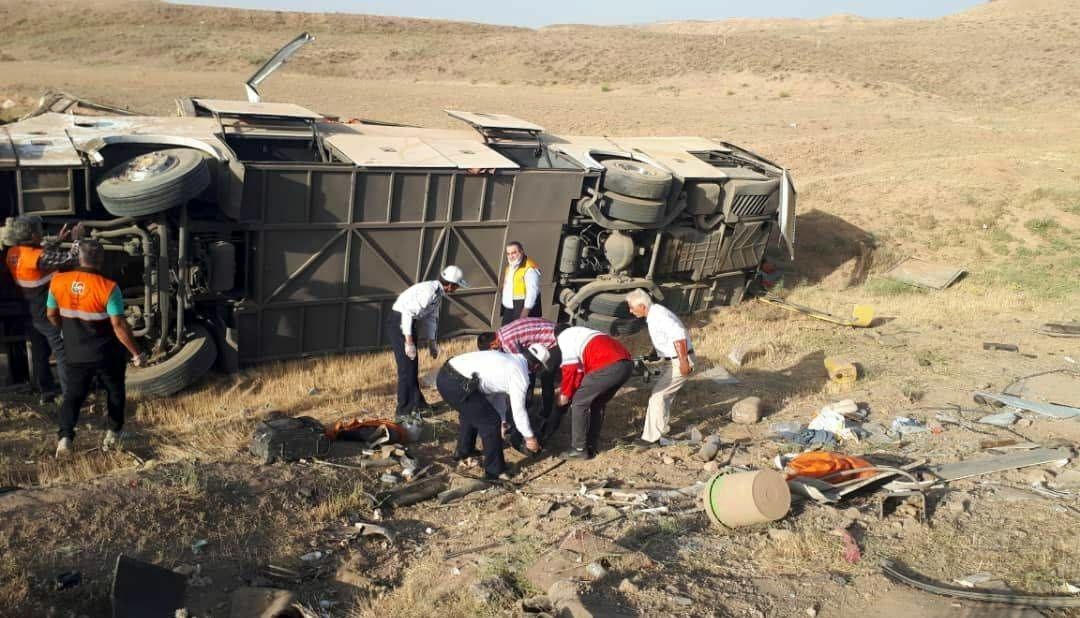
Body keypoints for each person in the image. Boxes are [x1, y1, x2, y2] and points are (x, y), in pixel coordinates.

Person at [47, 239, 145, 457]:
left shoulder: (58, 281)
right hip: (106, 354)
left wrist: (66, 330)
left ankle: (65, 439)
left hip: (75, 353)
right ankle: (113, 434)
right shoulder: (109, 287)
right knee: (115, 391)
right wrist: (137, 352)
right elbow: (118, 325)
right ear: (101, 260)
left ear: (78, 257)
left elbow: (51, 314)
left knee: (73, 395)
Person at [436, 344, 550, 480]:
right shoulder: (520, 375)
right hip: (456, 384)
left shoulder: (510, 360)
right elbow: (519, 412)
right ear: (536, 366)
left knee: (473, 411)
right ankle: (494, 471)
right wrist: (530, 438)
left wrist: (503, 420)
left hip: (445, 375)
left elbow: (496, 393)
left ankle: (464, 452)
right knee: (490, 423)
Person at [2, 216, 82, 403]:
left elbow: (42, 251)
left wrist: (57, 240)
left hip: (29, 311)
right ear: (32, 235)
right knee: (62, 352)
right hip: (46, 311)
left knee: (40, 353)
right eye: (39, 230)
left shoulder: (13, 253)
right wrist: (77, 239)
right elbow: (72, 257)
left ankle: (46, 393)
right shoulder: (39, 257)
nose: (41, 233)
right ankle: (70, 396)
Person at [387, 265, 469, 416]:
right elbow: (407, 313)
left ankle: (418, 403)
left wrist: (432, 342)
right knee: (406, 369)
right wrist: (409, 342)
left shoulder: (437, 293)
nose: (457, 289)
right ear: (450, 285)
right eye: (457, 286)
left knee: (412, 367)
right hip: (400, 323)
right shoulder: (429, 292)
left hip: (409, 324)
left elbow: (431, 317)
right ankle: (403, 411)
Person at [625, 289, 694, 447]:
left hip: (679, 361)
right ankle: (657, 432)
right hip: (672, 360)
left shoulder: (658, 315)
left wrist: (683, 362)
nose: (630, 311)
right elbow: (665, 337)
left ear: (642, 306)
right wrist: (654, 353)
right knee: (663, 397)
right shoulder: (654, 314)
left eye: (631, 307)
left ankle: (652, 438)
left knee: (658, 397)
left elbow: (678, 335)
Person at [554, 324, 633, 460]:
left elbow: (570, 368)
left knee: (579, 404)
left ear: (556, 337)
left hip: (607, 365)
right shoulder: (586, 333)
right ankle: (591, 445)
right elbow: (579, 373)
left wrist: (565, 394)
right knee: (597, 403)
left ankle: (579, 449)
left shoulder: (564, 336)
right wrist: (570, 389)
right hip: (626, 365)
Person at [476, 317, 560, 419]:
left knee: (546, 377)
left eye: (491, 351)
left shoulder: (507, 343)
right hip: (552, 329)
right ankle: (529, 403)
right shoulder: (501, 332)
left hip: (554, 340)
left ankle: (546, 413)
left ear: (493, 343)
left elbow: (521, 367)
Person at [500, 241, 542, 326]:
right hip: (510, 307)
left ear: (521, 252)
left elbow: (532, 291)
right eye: (508, 254)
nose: (511, 256)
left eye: (514, 253)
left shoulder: (529, 268)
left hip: (522, 307)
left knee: (519, 332)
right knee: (506, 330)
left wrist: (526, 310)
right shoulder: (510, 267)